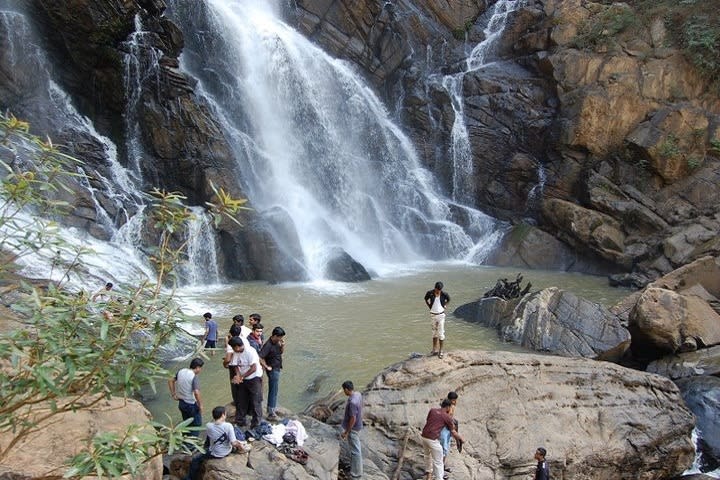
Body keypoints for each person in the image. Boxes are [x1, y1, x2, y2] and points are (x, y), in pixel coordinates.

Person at [184, 406, 244, 480]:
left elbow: (210, 436)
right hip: (226, 451)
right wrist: (240, 445)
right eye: (225, 413)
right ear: (223, 415)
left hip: (214, 452)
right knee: (236, 430)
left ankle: (190, 478)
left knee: (196, 460)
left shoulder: (208, 426)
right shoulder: (228, 426)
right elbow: (233, 443)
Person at [224, 336, 263, 427]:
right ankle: (240, 420)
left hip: (254, 378)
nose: (233, 350)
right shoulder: (236, 352)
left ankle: (256, 422)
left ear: (237, 346)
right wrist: (237, 375)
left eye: (234, 348)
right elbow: (235, 365)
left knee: (255, 400)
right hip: (243, 378)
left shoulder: (250, 351)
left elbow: (253, 368)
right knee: (241, 399)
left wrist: (241, 377)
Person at [421, 399, 463, 480]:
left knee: (427, 456)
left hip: (424, 436)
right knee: (438, 461)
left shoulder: (432, 410)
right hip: (432, 439)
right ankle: (439, 478)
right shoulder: (446, 417)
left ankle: (428, 475)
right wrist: (461, 438)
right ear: (448, 407)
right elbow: (453, 432)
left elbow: (428, 421)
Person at [168, 357, 204, 436]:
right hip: (191, 404)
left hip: (182, 403)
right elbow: (196, 392)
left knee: (186, 423)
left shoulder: (181, 371)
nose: (200, 370)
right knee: (196, 425)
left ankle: (185, 441)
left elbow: (170, 380)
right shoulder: (194, 377)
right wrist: (200, 405)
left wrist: (174, 394)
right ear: (197, 367)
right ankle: (192, 445)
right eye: (200, 368)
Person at [259, 326, 285, 420]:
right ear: (274, 336)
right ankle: (271, 412)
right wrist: (266, 367)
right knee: (273, 390)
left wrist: (282, 346)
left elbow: (280, 353)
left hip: (277, 367)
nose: (281, 339)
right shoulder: (268, 345)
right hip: (272, 369)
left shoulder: (277, 343)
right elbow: (260, 357)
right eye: (279, 337)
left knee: (275, 389)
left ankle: (271, 409)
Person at [340, 380, 363, 479]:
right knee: (356, 449)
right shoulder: (358, 394)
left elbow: (353, 418)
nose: (343, 392)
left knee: (355, 451)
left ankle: (356, 473)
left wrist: (347, 432)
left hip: (353, 428)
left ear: (346, 389)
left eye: (343, 390)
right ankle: (355, 468)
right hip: (358, 425)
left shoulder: (353, 402)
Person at [424, 281, 450, 358]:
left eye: (439, 290)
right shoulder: (430, 293)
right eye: (437, 290)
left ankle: (441, 350)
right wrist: (430, 306)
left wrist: (445, 305)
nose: (438, 291)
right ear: (435, 288)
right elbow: (425, 299)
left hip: (441, 315)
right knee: (434, 333)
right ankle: (434, 349)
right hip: (433, 315)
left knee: (441, 333)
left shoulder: (444, 294)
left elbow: (448, 299)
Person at [439, 391, 461, 472]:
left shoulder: (448, 405)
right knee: (444, 449)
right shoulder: (449, 407)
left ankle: (442, 466)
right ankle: (441, 468)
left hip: (447, 429)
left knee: (445, 449)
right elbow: (448, 417)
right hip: (444, 430)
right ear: (451, 400)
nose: (455, 402)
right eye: (454, 400)